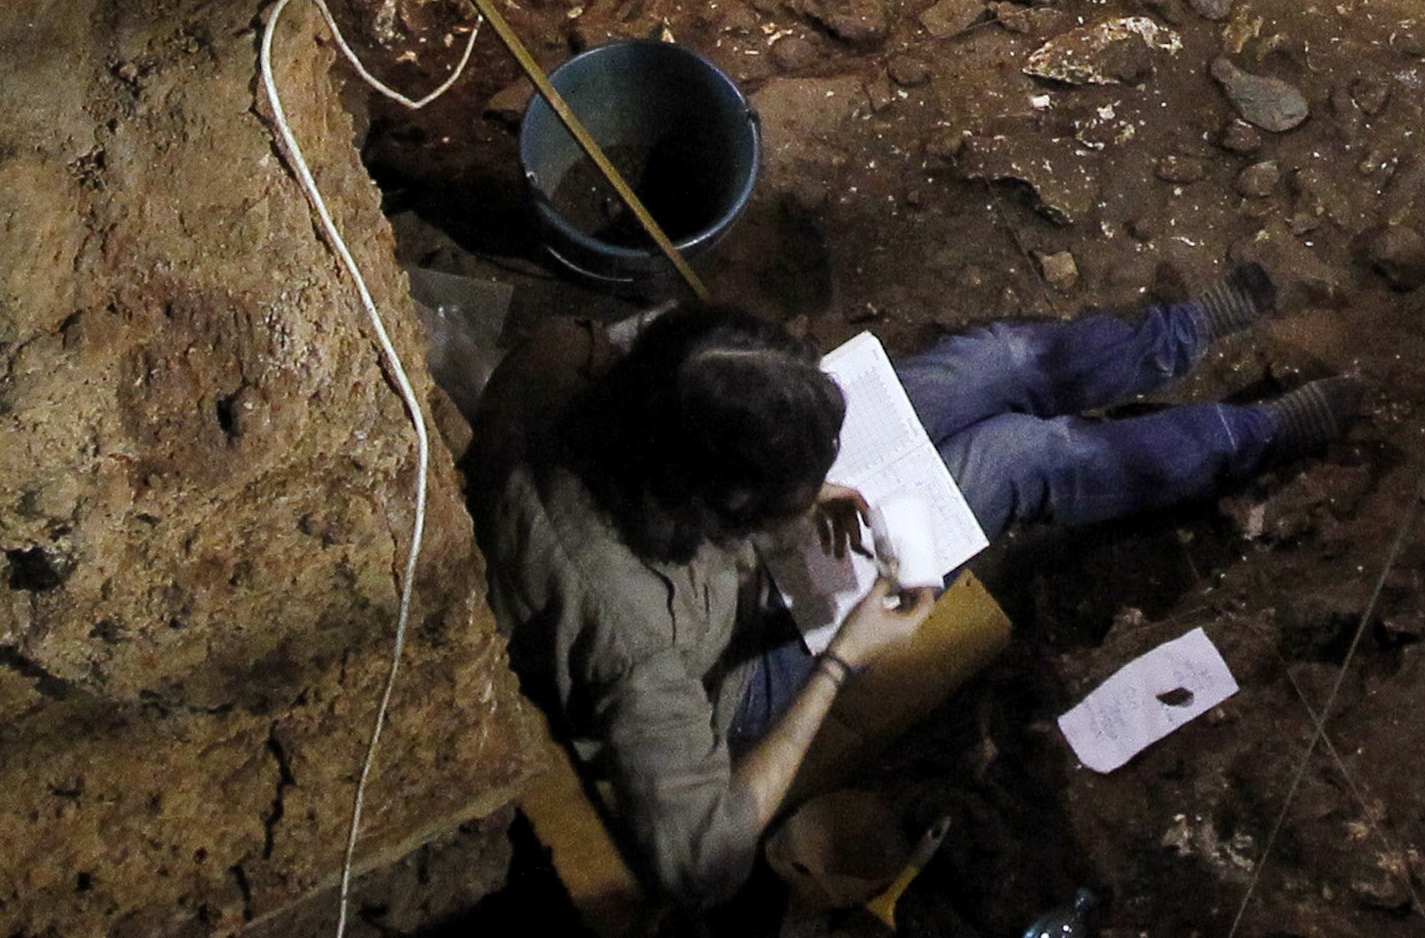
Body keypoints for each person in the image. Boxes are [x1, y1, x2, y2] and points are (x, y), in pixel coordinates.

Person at [469, 286, 1356, 907]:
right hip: (732, 665)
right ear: (722, 507)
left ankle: (1177, 333)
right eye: (780, 490)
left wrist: (799, 480)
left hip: (711, 513)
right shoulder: (637, 641)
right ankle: (1256, 434)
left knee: (994, 361)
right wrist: (846, 660)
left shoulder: (569, 363)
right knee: (1018, 455)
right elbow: (702, 863)